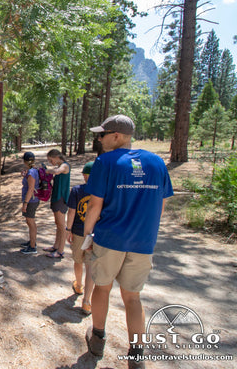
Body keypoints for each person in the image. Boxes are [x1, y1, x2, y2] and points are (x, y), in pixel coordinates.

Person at [83, 115, 173, 368]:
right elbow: (162, 203)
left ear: (116, 136)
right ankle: (136, 354)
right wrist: (145, 230)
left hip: (110, 238)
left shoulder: (105, 161)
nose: (98, 140)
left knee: (102, 288)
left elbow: (94, 205)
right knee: (133, 298)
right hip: (143, 242)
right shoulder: (157, 162)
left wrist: (87, 236)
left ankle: (97, 338)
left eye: (102, 135)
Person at [66, 161, 95, 315]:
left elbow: (71, 212)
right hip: (95, 234)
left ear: (84, 175)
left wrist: (68, 229)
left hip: (78, 231)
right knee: (91, 266)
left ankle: (78, 285)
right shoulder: (102, 192)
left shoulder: (77, 190)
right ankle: (87, 302)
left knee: (78, 260)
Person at [44, 149, 70, 258]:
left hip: (61, 198)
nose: (51, 162)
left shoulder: (64, 166)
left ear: (56, 157)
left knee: (61, 225)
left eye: (51, 160)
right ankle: (56, 246)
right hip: (56, 197)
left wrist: (48, 170)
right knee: (58, 224)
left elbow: (58, 171)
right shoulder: (59, 166)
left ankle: (60, 251)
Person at [19, 151, 40, 254]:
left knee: (31, 223)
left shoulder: (31, 173)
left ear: (25, 161)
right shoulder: (32, 171)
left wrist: (25, 203)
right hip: (32, 200)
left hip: (31, 201)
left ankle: (32, 247)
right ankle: (32, 241)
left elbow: (31, 189)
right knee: (29, 221)